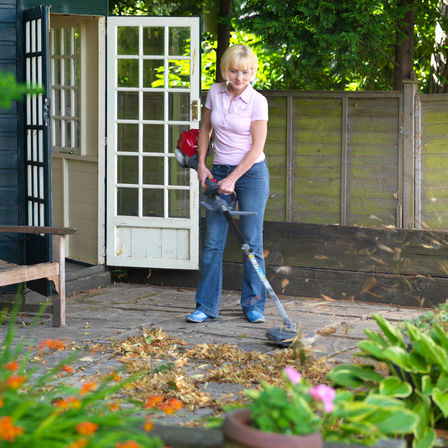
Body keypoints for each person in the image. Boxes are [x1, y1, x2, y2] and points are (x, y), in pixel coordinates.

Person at [186, 44, 269, 324]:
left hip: (251, 175)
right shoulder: (214, 92)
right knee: (212, 243)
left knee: (251, 242)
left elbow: (257, 147)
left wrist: (233, 178)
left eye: (246, 72)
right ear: (225, 70)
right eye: (234, 71)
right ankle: (206, 306)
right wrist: (201, 164)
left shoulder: (258, 101)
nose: (240, 77)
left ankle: (253, 305)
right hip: (218, 170)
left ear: (253, 72)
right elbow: (205, 130)